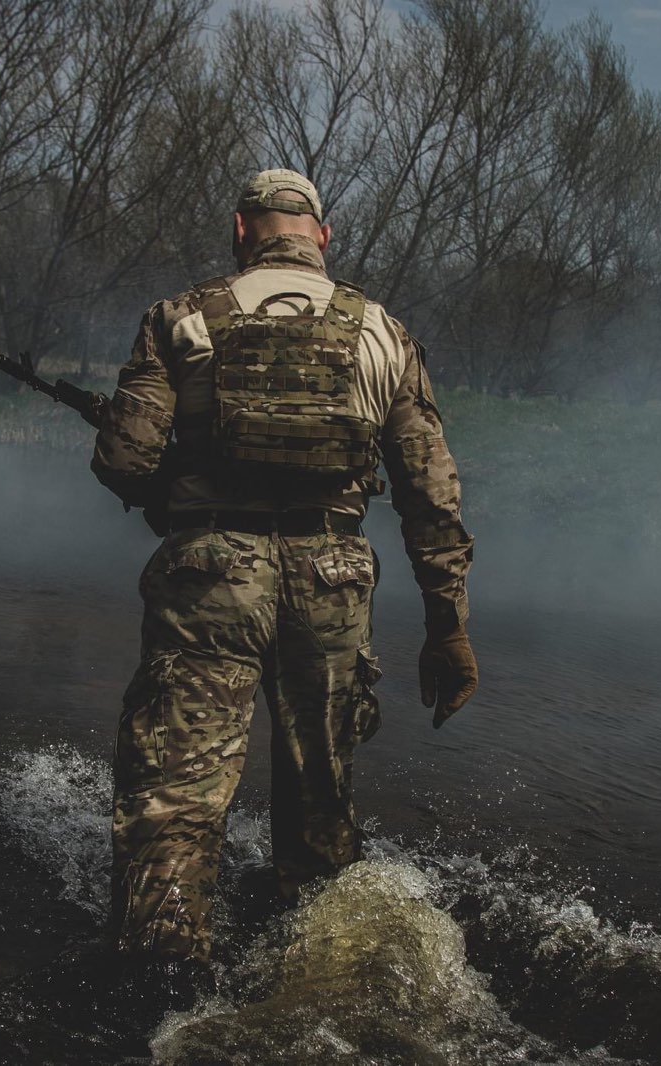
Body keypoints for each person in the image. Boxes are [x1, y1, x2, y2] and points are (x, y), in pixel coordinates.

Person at [90, 168, 477, 1002]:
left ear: (240, 231)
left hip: (211, 576)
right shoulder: (383, 331)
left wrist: (174, 497)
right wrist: (448, 626)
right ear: (322, 238)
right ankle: (319, 984)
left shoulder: (181, 319)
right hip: (333, 578)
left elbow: (123, 459)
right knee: (319, 803)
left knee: (176, 799)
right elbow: (431, 494)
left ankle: (163, 992)